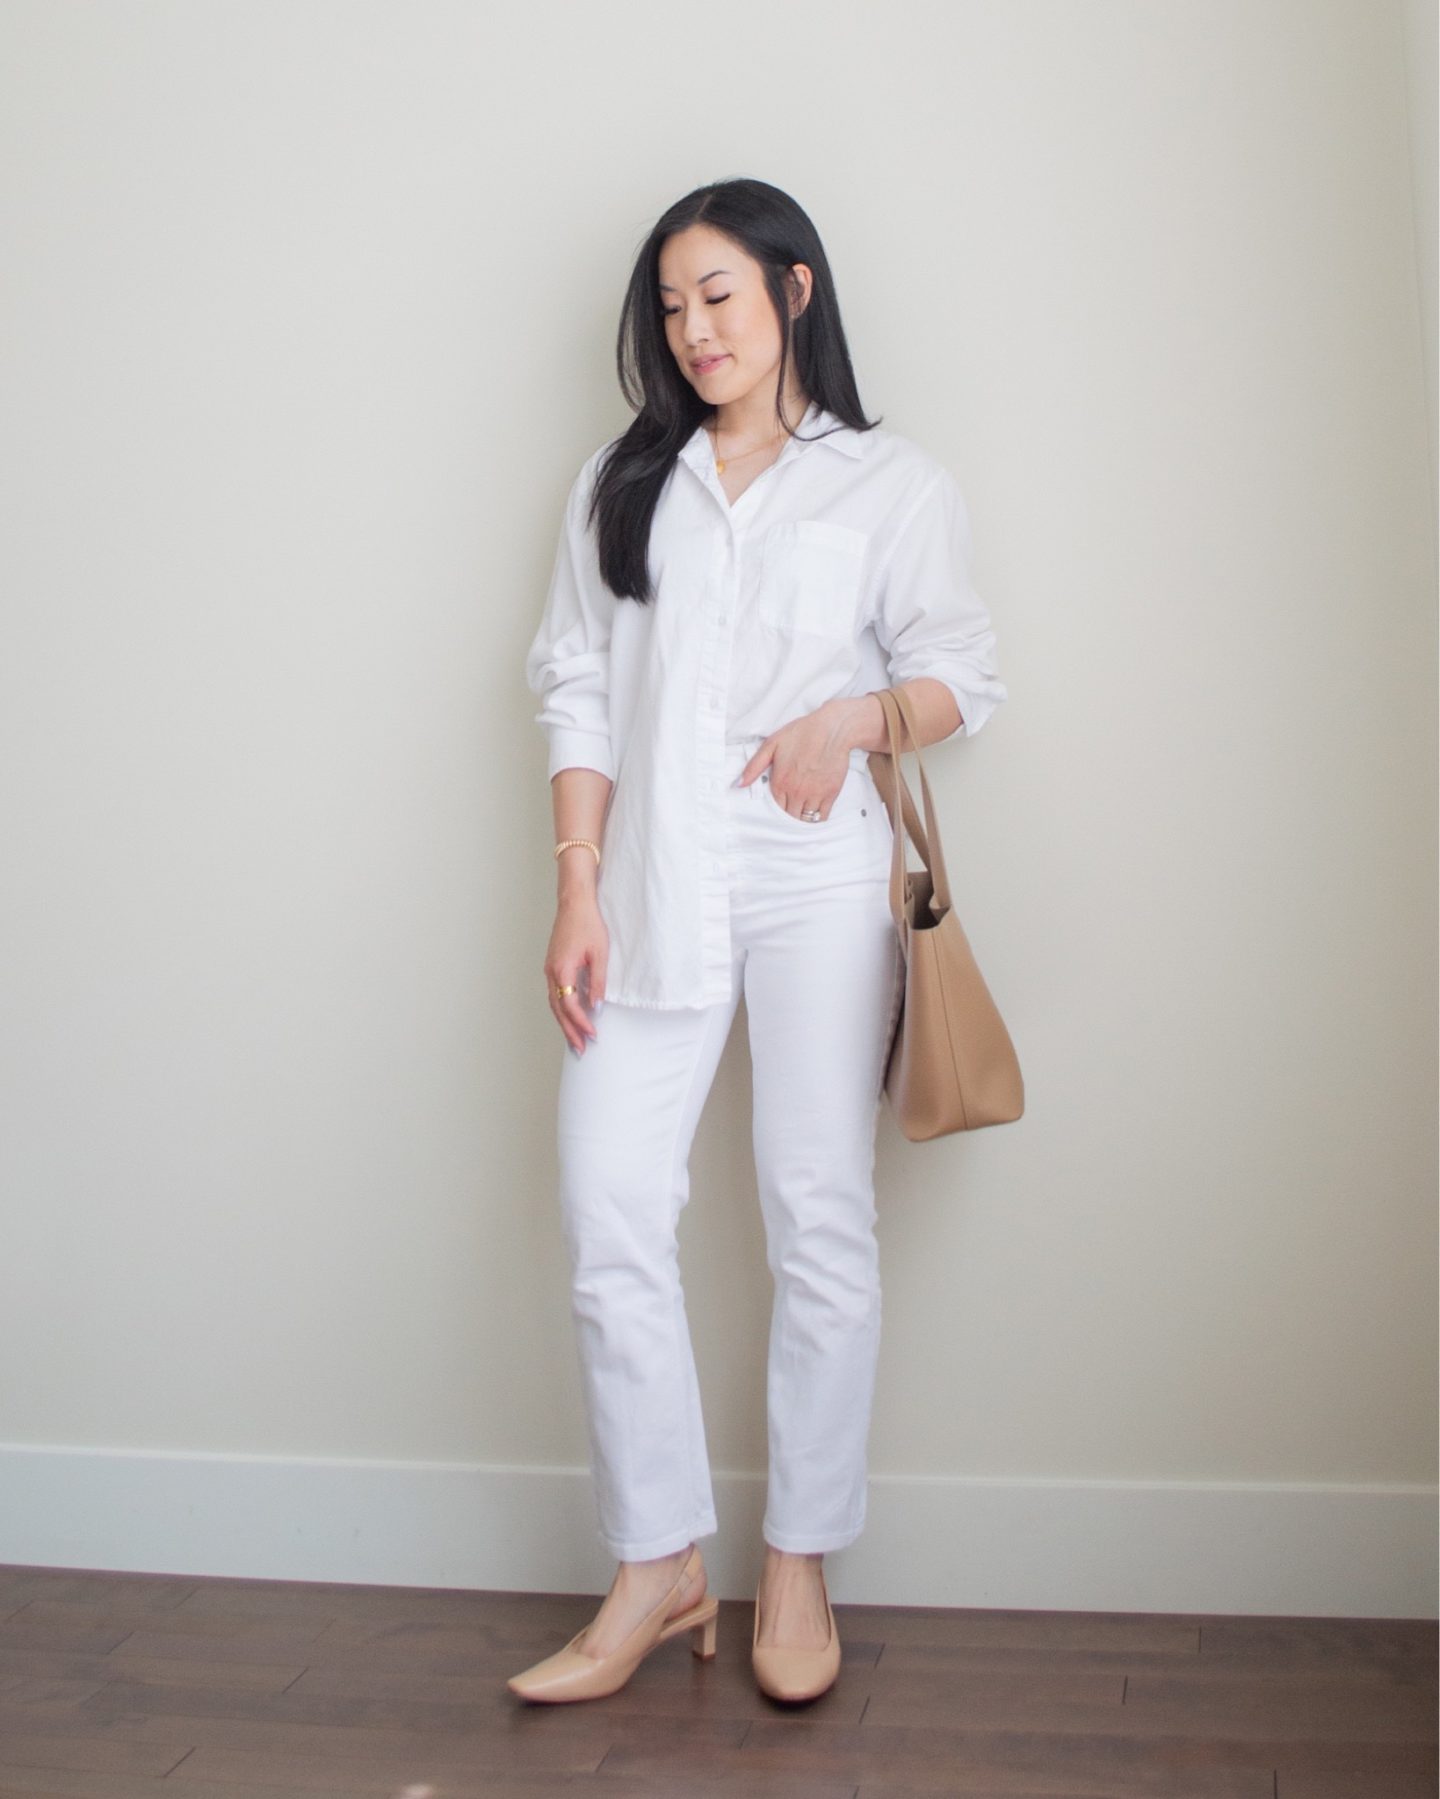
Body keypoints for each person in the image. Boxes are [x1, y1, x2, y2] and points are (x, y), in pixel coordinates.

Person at [509, 178, 1007, 1705]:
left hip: (810, 872)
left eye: (718, 295)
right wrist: (577, 882)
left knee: (817, 1219)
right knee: (608, 1208)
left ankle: (797, 1562)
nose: (693, 331)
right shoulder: (621, 480)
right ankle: (659, 1565)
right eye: (670, 307)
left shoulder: (889, 484)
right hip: (651, 872)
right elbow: (576, 683)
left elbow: (963, 680)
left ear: (794, 292)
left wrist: (854, 718)